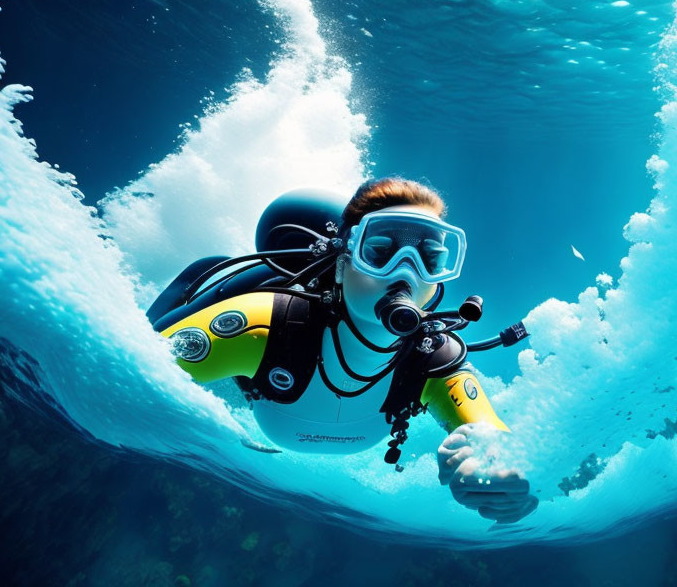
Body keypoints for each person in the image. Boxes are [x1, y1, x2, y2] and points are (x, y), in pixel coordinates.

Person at [147, 177, 537, 523]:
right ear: (340, 263)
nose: (406, 272)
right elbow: (142, 367)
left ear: (438, 282)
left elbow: (488, 431)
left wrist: (495, 473)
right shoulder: (264, 324)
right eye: (380, 251)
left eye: (430, 259)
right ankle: (197, 277)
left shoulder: (433, 357)